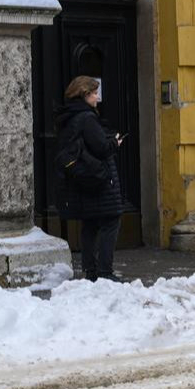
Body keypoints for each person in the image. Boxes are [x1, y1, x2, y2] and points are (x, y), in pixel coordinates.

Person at [53, 75, 127, 282]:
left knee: (91, 223)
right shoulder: (87, 117)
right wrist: (115, 143)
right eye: (94, 93)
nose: (97, 97)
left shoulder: (68, 116)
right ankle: (104, 272)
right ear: (84, 95)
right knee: (111, 219)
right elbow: (101, 148)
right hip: (97, 178)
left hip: (82, 177)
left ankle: (91, 271)